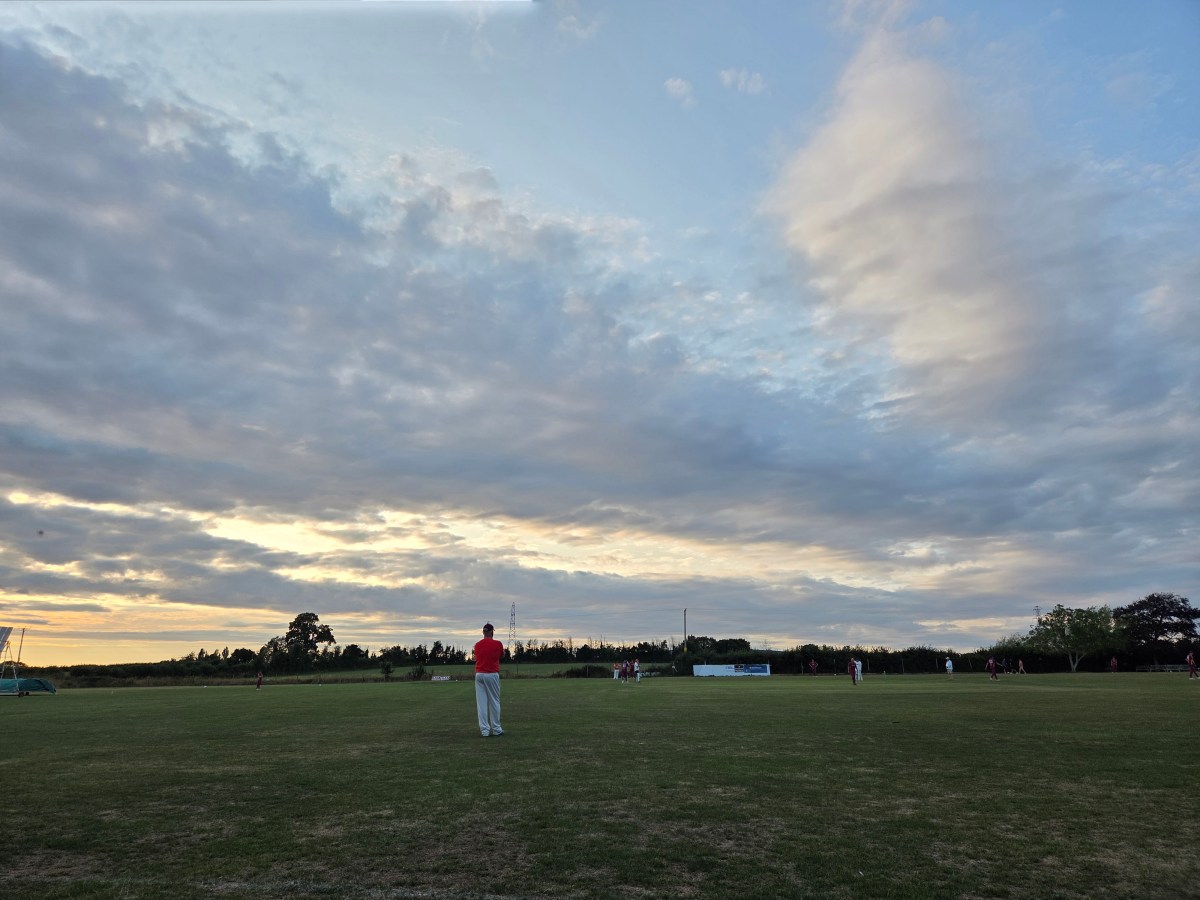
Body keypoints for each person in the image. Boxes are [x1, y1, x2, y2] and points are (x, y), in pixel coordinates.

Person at [473, 623, 504, 737]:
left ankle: (485, 730)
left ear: (483, 632)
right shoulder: (498, 644)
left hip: (479, 674)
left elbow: (477, 657)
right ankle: (496, 729)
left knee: (481, 703)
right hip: (491, 674)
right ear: (492, 632)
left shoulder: (477, 645)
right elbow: (501, 655)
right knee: (494, 701)